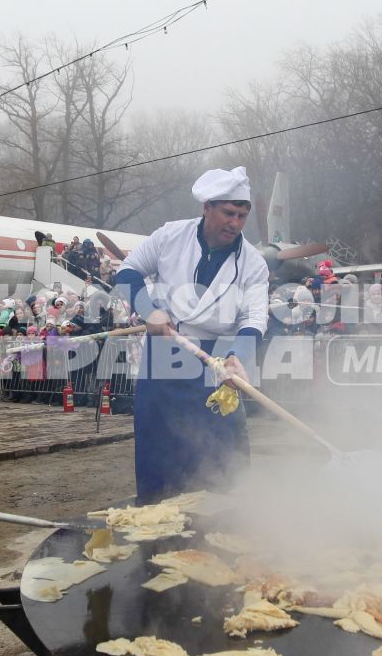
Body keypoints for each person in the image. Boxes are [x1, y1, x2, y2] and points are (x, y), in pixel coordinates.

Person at [111, 166, 269, 501]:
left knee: (223, 462)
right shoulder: (170, 236)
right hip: (163, 359)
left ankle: (227, 528)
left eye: (242, 215)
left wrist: (237, 358)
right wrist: (149, 309)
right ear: (207, 207)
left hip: (216, 362)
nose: (235, 223)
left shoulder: (254, 263)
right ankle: (155, 527)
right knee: (160, 455)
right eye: (228, 213)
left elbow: (254, 317)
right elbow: (127, 270)